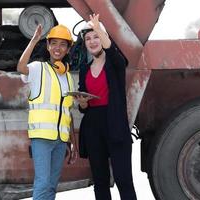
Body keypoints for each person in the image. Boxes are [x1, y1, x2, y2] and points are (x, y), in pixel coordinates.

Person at [75, 13, 137, 200]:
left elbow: (112, 51)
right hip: (93, 127)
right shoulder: (85, 69)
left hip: (115, 126)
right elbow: (83, 106)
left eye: (96, 37)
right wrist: (83, 103)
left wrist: (98, 27)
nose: (92, 41)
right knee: (100, 182)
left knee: (123, 180)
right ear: (84, 43)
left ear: (103, 39)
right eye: (88, 38)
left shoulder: (116, 63)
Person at [17, 24, 78, 200]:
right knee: (43, 183)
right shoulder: (38, 68)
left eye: (63, 44)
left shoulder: (67, 77)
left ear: (68, 49)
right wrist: (34, 40)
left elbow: (68, 112)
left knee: (52, 184)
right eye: (54, 43)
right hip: (42, 138)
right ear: (48, 46)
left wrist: (72, 142)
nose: (58, 48)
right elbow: (21, 67)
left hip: (60, 140)